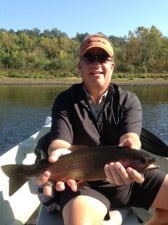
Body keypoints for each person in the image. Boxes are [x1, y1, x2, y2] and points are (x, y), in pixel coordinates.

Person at [36, 33, 168, 225]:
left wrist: (131, 146)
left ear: (112, 66)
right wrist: (56, 154)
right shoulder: (65, 101)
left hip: (131, 176)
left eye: (103, 58)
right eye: (89, 58)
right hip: (84, 182)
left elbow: (131, 139)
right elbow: (59, 142)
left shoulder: (128, 100)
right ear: (79, 66)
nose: (96, 63)